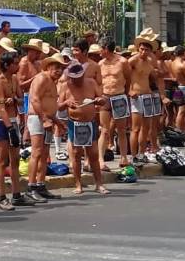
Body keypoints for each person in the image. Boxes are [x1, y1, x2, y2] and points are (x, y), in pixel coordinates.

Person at [59, 61, 109, 194]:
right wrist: (66, 102)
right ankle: (78, 184)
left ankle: (99, 184)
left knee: (93, 153)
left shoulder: (91, 83)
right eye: (74, 78)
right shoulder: (65, 86)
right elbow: (58, 106)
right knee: (76, 154)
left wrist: (99, 100)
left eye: (79, 77)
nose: (77, 80)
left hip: (90, 122)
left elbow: (103, 99)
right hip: (74, 123)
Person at [0, 52, 32, 210]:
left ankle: (16, 194)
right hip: (2, 122)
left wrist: (14, 100)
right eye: (15, 63)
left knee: (15, 159)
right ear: (7, 65)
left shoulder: (14, 79)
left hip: (13, 120)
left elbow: (21, 99)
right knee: (2, 160)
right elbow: (0, 107)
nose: (17, 66)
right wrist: (9, 128)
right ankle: (2, 197)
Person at [27, 53, 67, 200]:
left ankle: (40, 185)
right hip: (38, 119)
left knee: (45, 155)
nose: (59, 71)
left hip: (48, 120)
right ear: (49, 66)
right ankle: (31, 187)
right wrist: (44, 119)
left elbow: (49, 104)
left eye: (61, 68)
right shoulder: (42, 78)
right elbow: (35, 99)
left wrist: (56, 121)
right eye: (56, 67)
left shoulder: (53, 81)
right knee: (36, 153)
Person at [97, 38, 132, 169]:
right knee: (104, 130)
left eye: (101, 48)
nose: (99, 51)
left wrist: (126, 94)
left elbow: (128, 79)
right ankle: (101, 159)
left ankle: (123, 157)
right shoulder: (100, 64)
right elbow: (99, 82)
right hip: (105, 97)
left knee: (121, 129)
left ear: (106, 48)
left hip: (119, 96)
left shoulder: (122, 62)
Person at [128, 32, 160, 162]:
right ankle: (134, 155)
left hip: (147, 96)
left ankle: (141, 153)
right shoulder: (133, 60)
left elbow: (152, 78)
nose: (143, 52)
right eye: (141, 49)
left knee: (146, 127)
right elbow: (125, 76)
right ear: (138, 49)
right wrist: (129, 91)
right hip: (136, 96)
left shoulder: (150, 61)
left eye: (146, 50)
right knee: (135, 128)